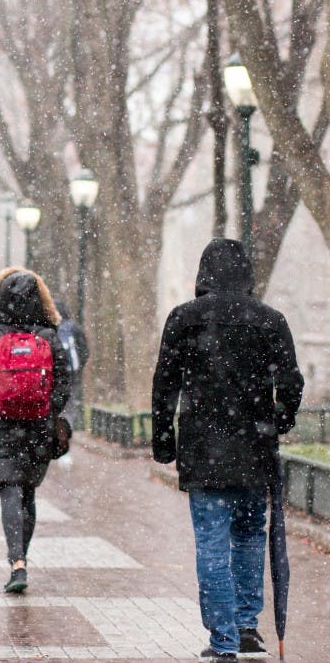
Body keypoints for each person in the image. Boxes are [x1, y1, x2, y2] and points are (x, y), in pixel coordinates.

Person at [152, 238, 304, 662]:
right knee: (250, 536)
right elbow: (291, 384)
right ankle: (246, 625)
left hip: (203, 449)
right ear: (247, 275)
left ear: (203, 273)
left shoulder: (183, 320)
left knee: (212, 542)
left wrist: (165, 441)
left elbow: (165, 386)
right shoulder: (270, 321)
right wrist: (278, 421)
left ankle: (223, 639)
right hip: (255, 449)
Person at [0, 267, 70, 594]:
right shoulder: (48, 338)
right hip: (37, 428)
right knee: (28, 493)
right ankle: (24, 557)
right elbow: (64, 383)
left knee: (9, 491)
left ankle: (16, 562)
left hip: (0, 427)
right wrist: (47, 411)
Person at [53, 299, 89, 429]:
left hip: (55, 373)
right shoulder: (74, 328)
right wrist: (79, 367)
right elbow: (84, 350)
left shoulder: (49, 329)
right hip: (72, 372)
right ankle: (68, 425)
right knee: (71, 399)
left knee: (56, 398)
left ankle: (56, 425)